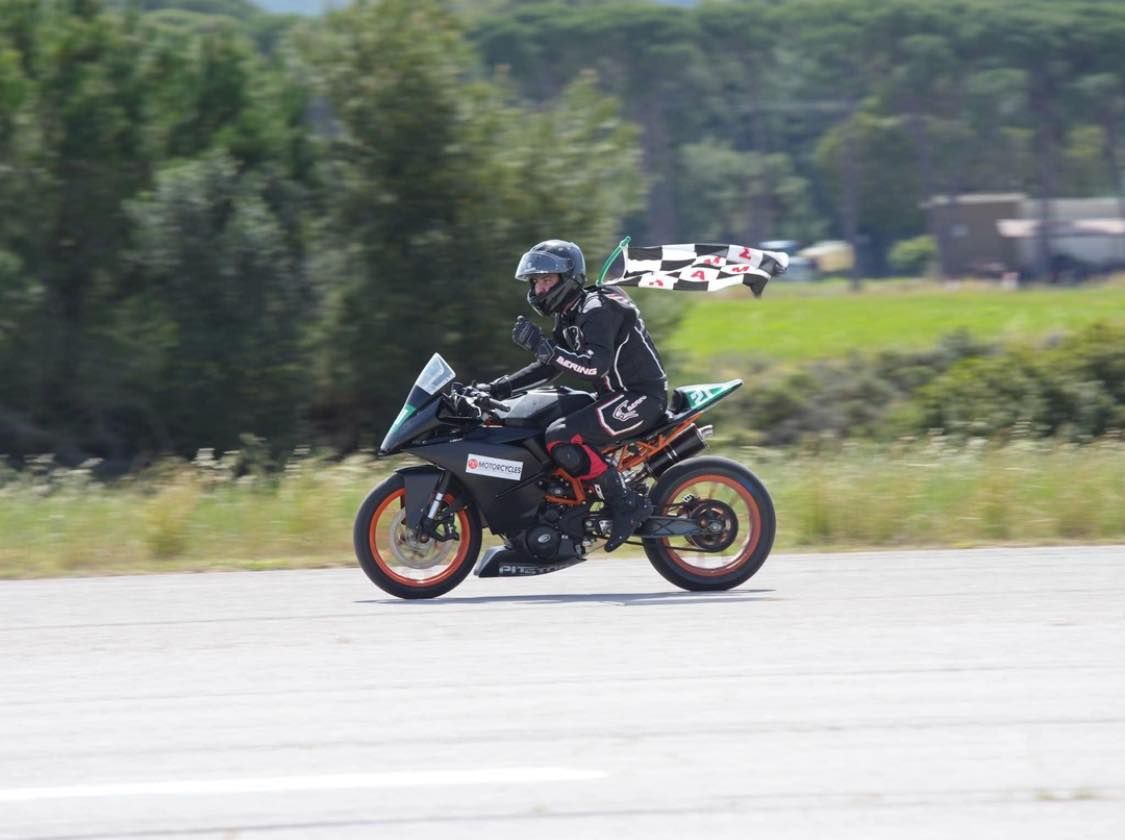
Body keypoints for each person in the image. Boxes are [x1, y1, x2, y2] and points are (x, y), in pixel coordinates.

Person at [481, 239, 668, 552]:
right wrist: (499, 387)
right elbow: (549, 367)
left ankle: (626, 504)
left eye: (547, 279)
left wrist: (546, 348)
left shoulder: (597, 309)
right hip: (613, 397)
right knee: (545, 419)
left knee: (561, 436)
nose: (539, 288)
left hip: (640, 398)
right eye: (535, 281)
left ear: (568, 278)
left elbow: (595, 366)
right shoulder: (569, 314)